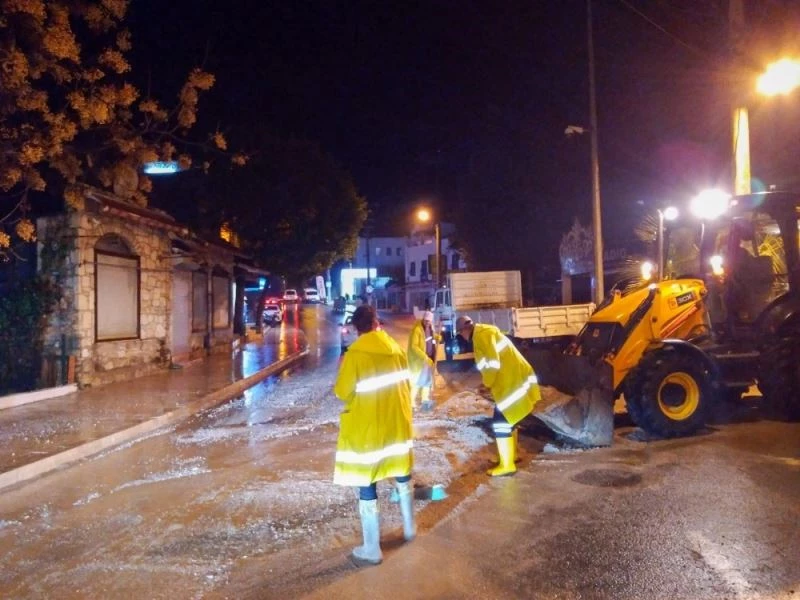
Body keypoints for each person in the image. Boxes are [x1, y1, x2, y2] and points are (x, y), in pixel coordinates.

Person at [333, 304, 416, 565]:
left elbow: (342, 392)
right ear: (376, 322)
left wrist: (342, 366)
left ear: (357, 328)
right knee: (402, 472)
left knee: (367, 481)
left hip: (369, 428)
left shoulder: (356, 354)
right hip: (397, 423)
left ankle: (372, 548)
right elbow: (407, 383)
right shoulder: (394, 348)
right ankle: (410, 528)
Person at [455, 315, 541, 477]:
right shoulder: (484, 332)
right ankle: (511, 456)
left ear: (465, 329)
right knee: (509, 417)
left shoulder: (481, 336)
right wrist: (488, 382)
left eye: (461, 334)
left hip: (512, 379)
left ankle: (507, 465)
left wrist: (487, 383)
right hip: (512, 377)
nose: (463, 338)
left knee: (500, 422)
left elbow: (493, 363)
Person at [407, 310, 437, 410]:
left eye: (429, 321)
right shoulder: (417, 330)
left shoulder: (429, 328)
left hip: (428, 360)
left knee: (426, 382)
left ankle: (425, 400)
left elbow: (429, 338)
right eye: (426, 321)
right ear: (423, 320)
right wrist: (425, 357)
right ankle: (411, 403)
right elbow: (414, 346)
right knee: (417, 382)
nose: (427, 323)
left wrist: (437, 337)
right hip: (419, 361)